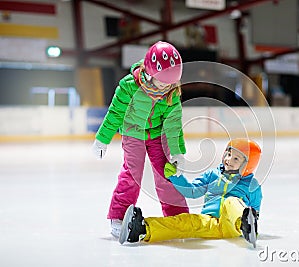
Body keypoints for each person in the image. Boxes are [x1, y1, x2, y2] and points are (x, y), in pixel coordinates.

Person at [92, 41, 189, 238]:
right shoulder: (129, 86)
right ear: (150, 72)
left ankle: (177, 215)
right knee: (132, 173)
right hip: (132, 132)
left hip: (156, 134)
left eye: (170, 83)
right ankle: (118, 216)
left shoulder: (171, 92)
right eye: (162, 82)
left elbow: (173, 124)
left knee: (166, 173)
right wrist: (102, 139)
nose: (165, 87)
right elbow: (115, 113)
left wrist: (177, 150)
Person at [118, 138, 263, 247]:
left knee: (231, 202)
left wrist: (252, 223)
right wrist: (176, 177)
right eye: (229, 154)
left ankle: (245, 224)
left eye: (236, 158)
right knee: (186, 221)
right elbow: (192, 191)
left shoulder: (251, 185)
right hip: (209, 221)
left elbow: (255, 209)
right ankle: (142, 228)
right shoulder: (213, 175)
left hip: (233, 225)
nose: (228, 160)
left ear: (248, 165)